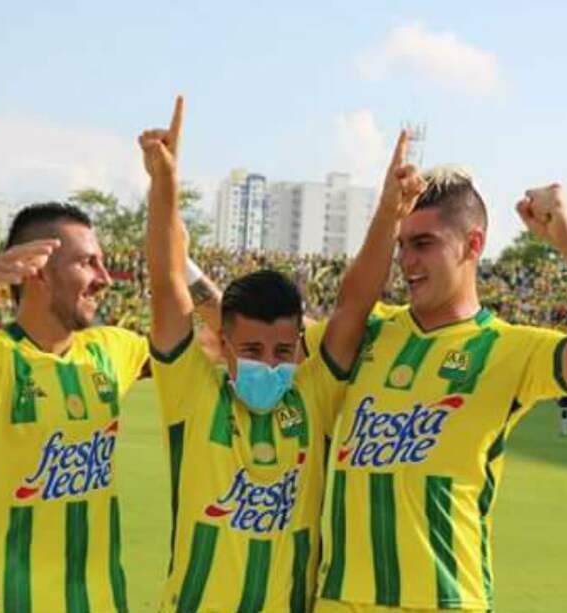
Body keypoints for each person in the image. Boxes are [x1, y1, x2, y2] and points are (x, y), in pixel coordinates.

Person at [139, 97, 424, 613]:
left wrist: (388, 213)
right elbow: (166, 286)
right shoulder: (191, 394)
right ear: (223, 345)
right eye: (251, 349)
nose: (269, 364)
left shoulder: (313, 396)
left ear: (300, 346)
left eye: (281, 351)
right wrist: (164, 188)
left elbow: (354, 307)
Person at [310, 171, 567, 612]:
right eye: (402, 245)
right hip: (339, 599)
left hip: (445, 600)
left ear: (474, 244)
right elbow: (247, 331)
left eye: (424, 244)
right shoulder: (367, 331)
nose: (407, 261)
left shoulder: (508, 348)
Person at [0, 201, 221, 613]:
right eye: (88, 263)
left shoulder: (111, 349)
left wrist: (183, 270)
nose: (104, 279)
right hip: (7, 600)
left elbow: (225, 340)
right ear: (38, 270)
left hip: (97, 601)